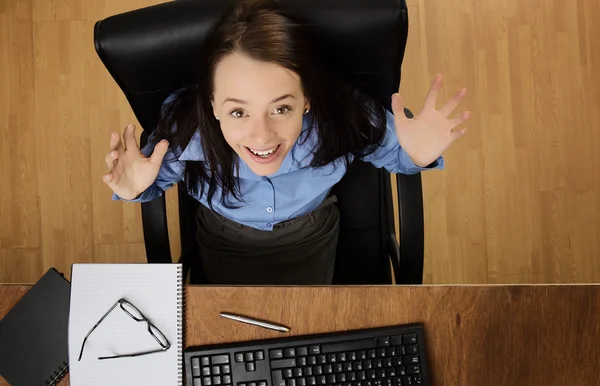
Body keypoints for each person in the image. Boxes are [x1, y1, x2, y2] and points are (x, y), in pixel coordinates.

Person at [102, 0, 471, 285]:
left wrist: (416, 157)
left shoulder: (341, 112)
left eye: (281, 108)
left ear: (307, 98)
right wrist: (136, 190)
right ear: (212, 104)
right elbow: (154, 180)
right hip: (224, 240)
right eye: (238, 112)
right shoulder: (184, 129)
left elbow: (395, 152)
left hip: (310, 236)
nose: (262, 136)